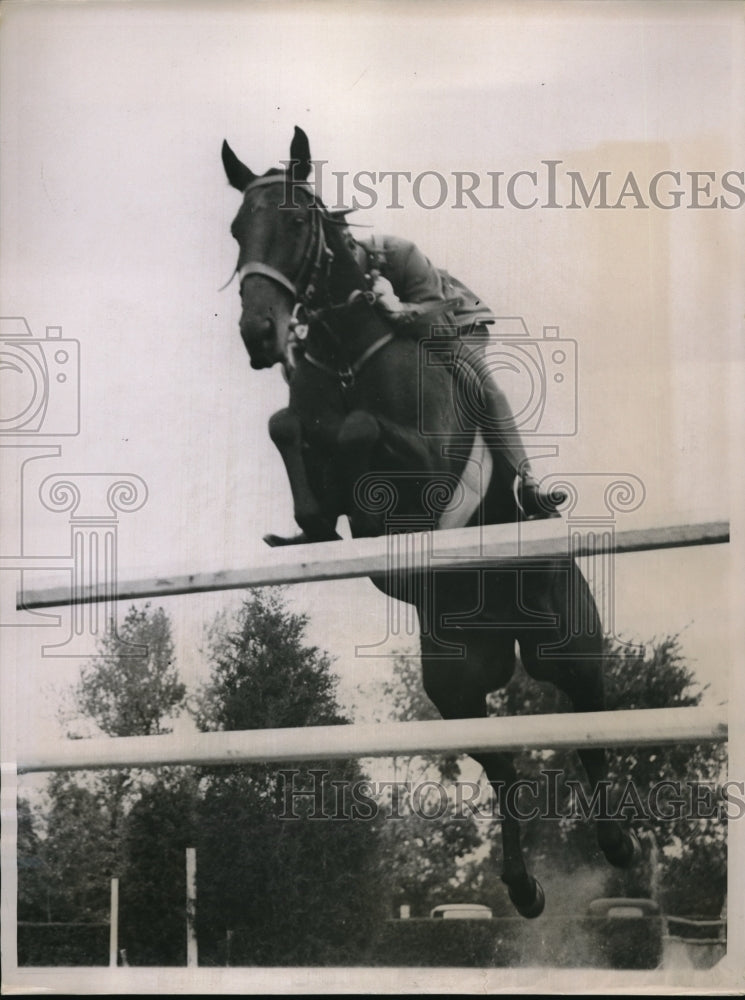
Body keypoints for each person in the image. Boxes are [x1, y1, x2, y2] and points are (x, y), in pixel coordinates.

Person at [349, 231, 561, 519]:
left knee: (483, 388)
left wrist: (397, 308)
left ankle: (526, 483)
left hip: (454, 325)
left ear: (353, 245)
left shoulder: (401, 252)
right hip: (405, 338)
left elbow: (437, 323)